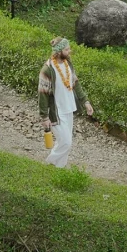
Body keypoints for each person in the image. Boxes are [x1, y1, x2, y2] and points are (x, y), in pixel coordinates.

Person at [38, 37, 94, 167]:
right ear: (58, 51)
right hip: (56, 112)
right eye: (67, 49)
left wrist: (85, 102)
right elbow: (42, 94)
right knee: (66, 142)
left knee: (64, 143)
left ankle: (59, 169)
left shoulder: (68, 64)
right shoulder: (47, 70)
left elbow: (75, 84)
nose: (70, 51)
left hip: (69, 108)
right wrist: (44, 116)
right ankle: (49, 163)